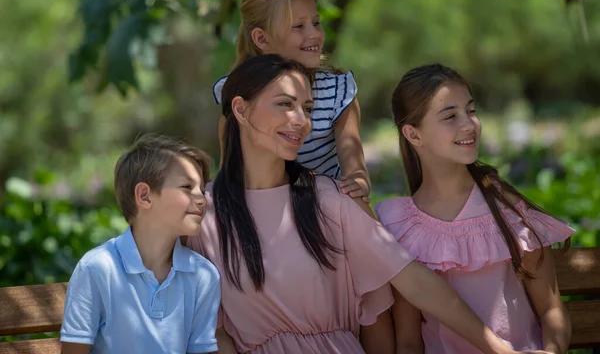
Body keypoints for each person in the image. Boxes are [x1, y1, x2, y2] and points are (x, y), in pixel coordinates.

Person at [187, 54, 545, 354]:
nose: (302, 121)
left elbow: (418, 284)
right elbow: (213, 332)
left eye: (307, 108)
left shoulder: (328, 199)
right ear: (241, 109)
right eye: (285, 104)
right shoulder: (205, 214)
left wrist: (500, 351)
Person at [375, 63, 575, 353]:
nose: (469, 124)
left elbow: (551, 309)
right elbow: (408, 341)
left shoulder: (506, 208)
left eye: (471, 110)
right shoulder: (399, 227)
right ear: (413, 135)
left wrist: (551, 351)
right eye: (450, 116)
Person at [212, 0, 370, 202]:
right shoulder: (238, 95)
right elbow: (231, 168)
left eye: (316, 23)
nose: (314, 34)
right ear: (262, 39)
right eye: (299, 26)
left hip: (325, 208)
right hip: (262, 206)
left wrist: (358, 180)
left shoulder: (338, 92)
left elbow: (354, 166)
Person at [60, 135, 220, 354]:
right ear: (144, 196)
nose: (202, 198)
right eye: (187, 187)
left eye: (202, 189)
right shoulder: (97, 269)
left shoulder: (203, 275)